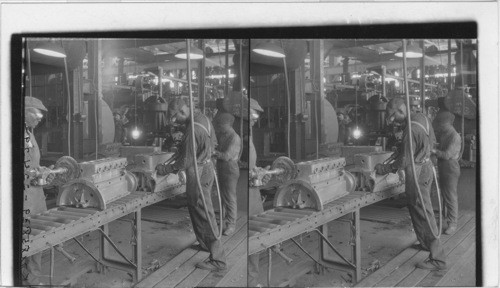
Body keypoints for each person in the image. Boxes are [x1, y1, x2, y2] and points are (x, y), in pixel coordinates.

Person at [375, 97, 447, 271]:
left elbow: (405, 162)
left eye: (395, 118)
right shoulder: (422, 117)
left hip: (417, 172)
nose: (395, 122)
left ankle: (438, 259)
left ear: (401, 110)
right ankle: (425, 243)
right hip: (426, 166)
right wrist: (405, 147)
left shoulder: (411, 129)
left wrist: (385, 168)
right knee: (417, 208)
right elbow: (429, 142)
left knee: (423, 211)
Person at [155, 98, 226, 272]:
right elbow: (211, 144)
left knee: (204, 211)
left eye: (175, 118)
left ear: (182, 111)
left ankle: (218, 260)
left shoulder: (192, 130)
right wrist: (187, 149)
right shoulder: (202, 118)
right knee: (196, 207)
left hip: (198, 170)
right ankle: (204, 243)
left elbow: (186, 161)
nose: (175, 122)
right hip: (207, 166)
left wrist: (165, 169)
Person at [23, 96, 54, 285]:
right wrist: (33, 173)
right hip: (23, 197)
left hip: (35, 195)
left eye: (41, 114)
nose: (40, 117)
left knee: (38, 238)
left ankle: (33, 279)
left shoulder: (29, 132)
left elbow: (31, 163)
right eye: (36, 112)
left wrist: (42, 172)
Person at [432, 110, 461, 235]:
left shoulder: (454, 136)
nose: (439, 127)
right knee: (444, 195)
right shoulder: (445, 134)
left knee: (450, 196)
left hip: (450, 167)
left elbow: (447, 155)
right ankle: (446, 219)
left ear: (447, 124)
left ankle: (452, 224)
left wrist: (433, 150)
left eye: (440, 124)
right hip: (443, 166)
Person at [213, 112, 241, 236]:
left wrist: (212, 152)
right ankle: (224, 220)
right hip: (221, 167)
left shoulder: (234, 138)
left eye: (220, 125)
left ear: (228, 125)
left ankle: (231, 225)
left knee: (229, 198)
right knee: (222, 196)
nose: (218, 127)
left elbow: (226, 156)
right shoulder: (223, 135)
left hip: (230, 168)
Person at [247, 98, 266, 287]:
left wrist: (256, 170)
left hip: (251, 190)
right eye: (253, 114)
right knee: (252, 234)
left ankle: (251, 282)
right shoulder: (236, 133)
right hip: (243, 194)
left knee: (256, 235)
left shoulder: (248, 133)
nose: (255, 118)